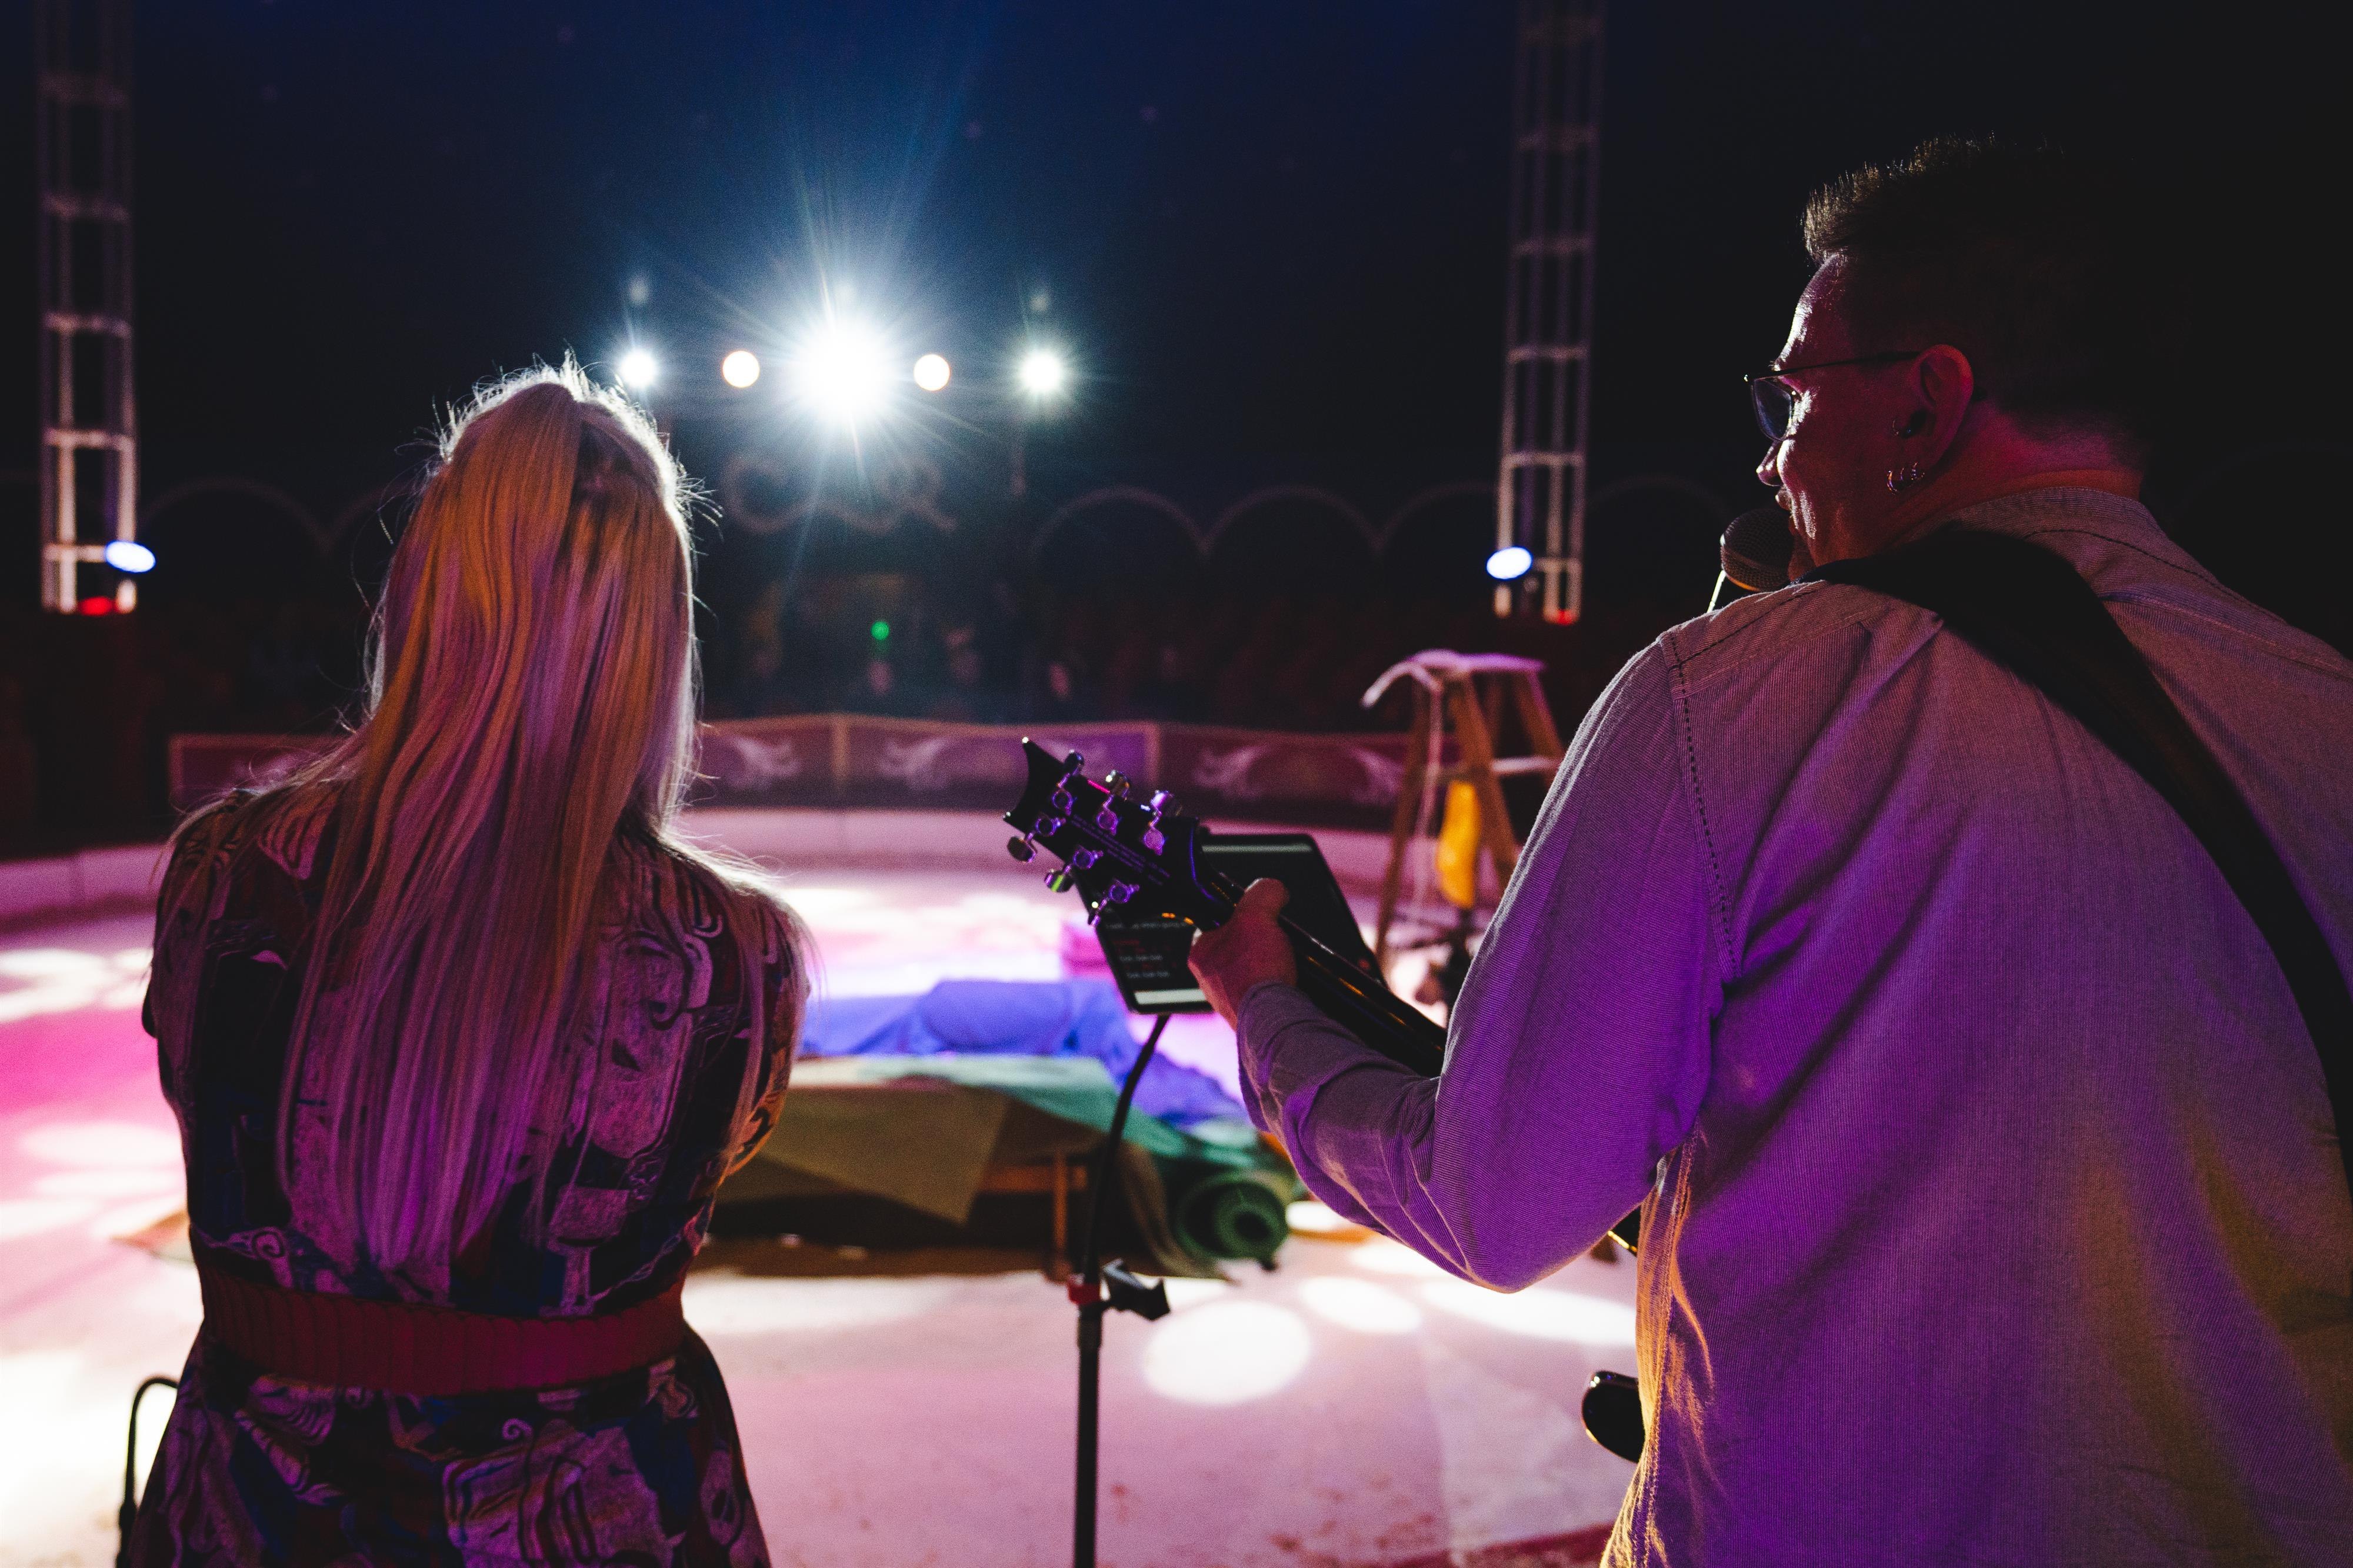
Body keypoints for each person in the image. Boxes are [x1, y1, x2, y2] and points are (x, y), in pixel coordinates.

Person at [1189, 138, 2353, 1564]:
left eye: (1792, 395)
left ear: (1924, 401)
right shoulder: (2322, 712)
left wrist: (1274, 1026)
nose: (1767, 453)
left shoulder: (1721, 698)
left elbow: (1494, 1200)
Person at [133, 365, 809, 1566]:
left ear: (423, 587)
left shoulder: (221, 879)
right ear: (655, 639)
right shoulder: (737, 959)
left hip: (252, 1520)